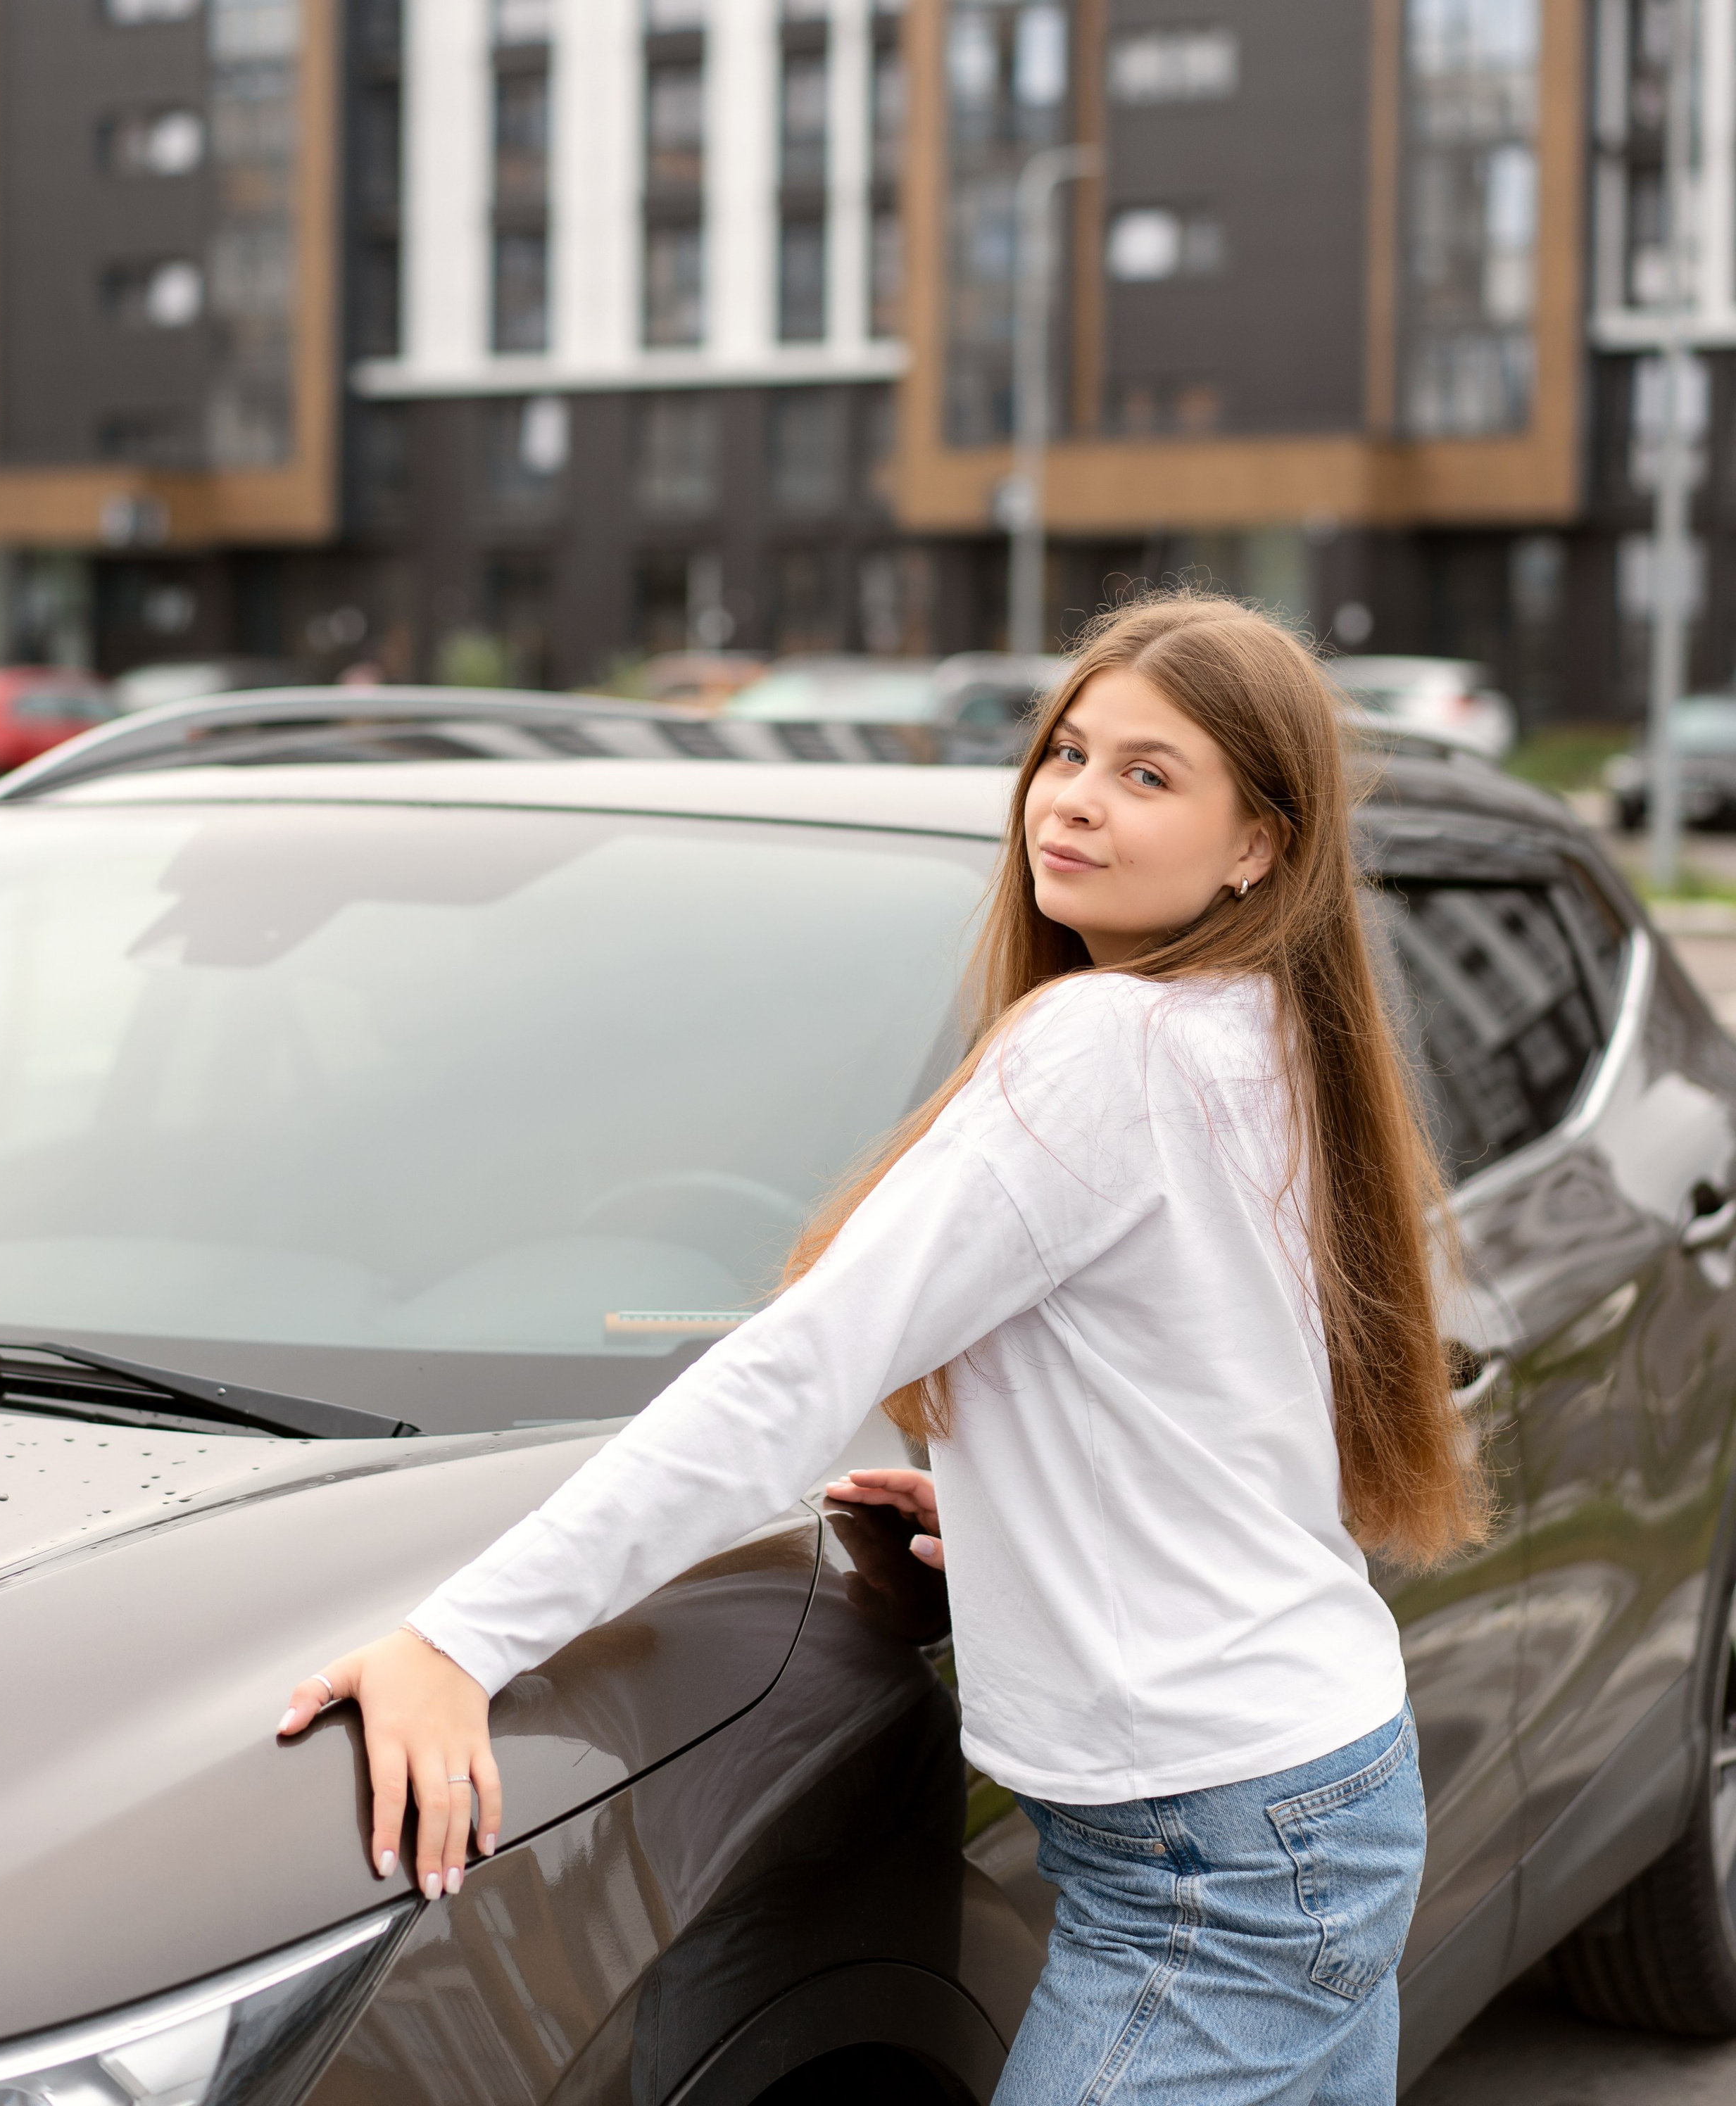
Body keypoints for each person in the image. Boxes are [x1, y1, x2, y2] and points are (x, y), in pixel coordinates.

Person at [279, 593, 1488, 2105]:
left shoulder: (1099, 1050)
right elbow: (1198, 1401)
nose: (1073, 800)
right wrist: (1000, 1517)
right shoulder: (1255, 1028)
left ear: (1258, 845)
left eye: (1147, 775)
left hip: (1213, 1868)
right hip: (1317, 1786)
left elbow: (791, 1376)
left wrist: (461, 1639)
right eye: (1066, 752)